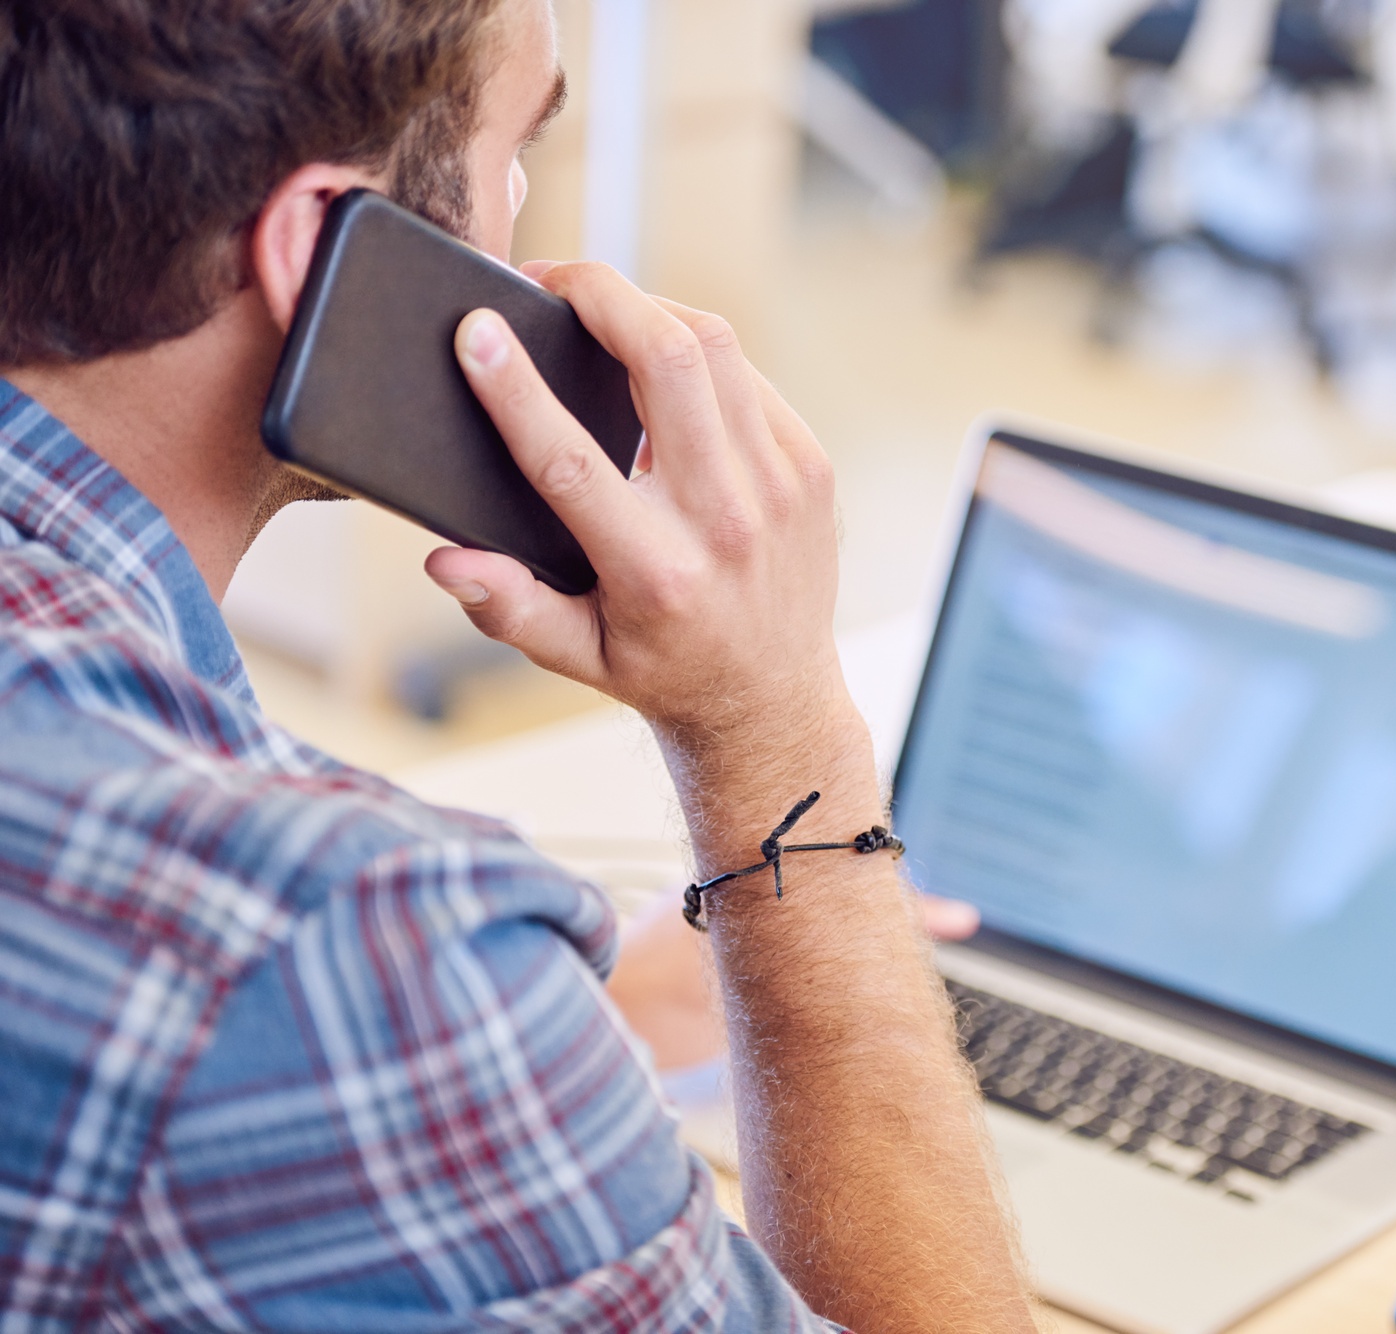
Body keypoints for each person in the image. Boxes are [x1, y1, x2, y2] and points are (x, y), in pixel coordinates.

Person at [0, 1, 1036, 1330]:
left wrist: (546, 1037)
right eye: (517, 155)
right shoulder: (345, 946)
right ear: (324, 252)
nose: (529, 235)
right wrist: (775, 728)